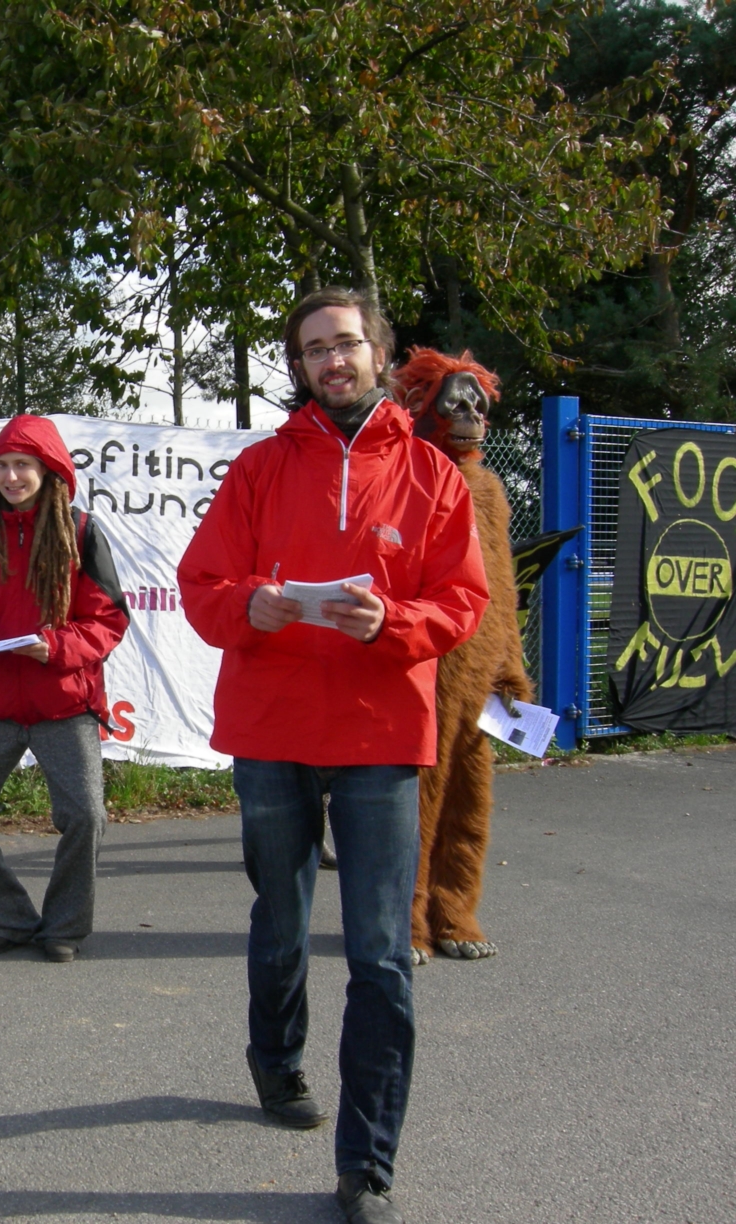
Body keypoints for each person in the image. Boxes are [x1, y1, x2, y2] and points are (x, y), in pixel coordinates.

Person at [177, 288, 490, 1224]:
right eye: (315, 348)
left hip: (380, 736)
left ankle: (368, 1168)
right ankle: (276, 1066)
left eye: (347, 343)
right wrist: (250, 608)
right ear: (300, 365)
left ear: (379, 352)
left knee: (382, 956)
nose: (333, 360)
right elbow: (203, 586)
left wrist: (389, 622)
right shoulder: (260, 470)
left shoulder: (434, 476)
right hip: (272, 729)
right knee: (280, 918)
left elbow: (462, 604)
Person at [0, 414, 130, 964]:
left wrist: (57, 647)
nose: (12, 476)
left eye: (23, 464)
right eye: (2, 465)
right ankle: (7, 920)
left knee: (85, 815)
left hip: (64, 702)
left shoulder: (82, 530)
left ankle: (64, 927)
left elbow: (108, 619)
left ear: (49, 469)